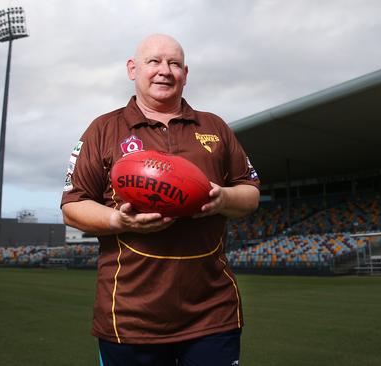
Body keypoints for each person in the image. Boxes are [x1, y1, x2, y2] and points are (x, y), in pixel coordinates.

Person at [61, 34, 260, 366]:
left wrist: (222, 197)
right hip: (130, 317)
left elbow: (250, 194)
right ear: (132, 69)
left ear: (185, 72)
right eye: (153, 62)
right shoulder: (103, 129)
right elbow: (72, 206)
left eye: (174, 64)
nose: (164, 71)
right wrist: (119, 221)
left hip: (212, 312)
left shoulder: (215, 127)